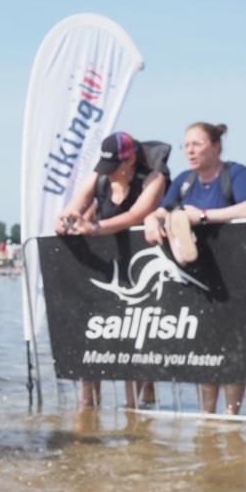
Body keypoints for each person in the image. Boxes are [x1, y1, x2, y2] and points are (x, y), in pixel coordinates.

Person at [143, 122, 246, 415]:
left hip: (238, 277)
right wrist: (151, 219)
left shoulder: (236, 174)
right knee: (205, 350)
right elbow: (165, 209)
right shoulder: (183, 180)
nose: (190, 151)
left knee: (235, 350)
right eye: (186, 145)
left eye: (197, 144)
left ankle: (232, 415)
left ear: (216, 146)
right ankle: (207, 415)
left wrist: (203, 217)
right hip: (197, 279)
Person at [54, 131, 168, 410]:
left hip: (140, 271)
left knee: (135, 347)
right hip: (105, 270)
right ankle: (87, 411)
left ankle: (137, 411)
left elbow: (135, 216)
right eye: (105, 167)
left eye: (114, 167)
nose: (109, 172)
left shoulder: (153, 178)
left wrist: (94, 228)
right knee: (93, 344)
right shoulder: (102, 176)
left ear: (129, 160)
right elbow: (73, 207)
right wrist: (67, 220)